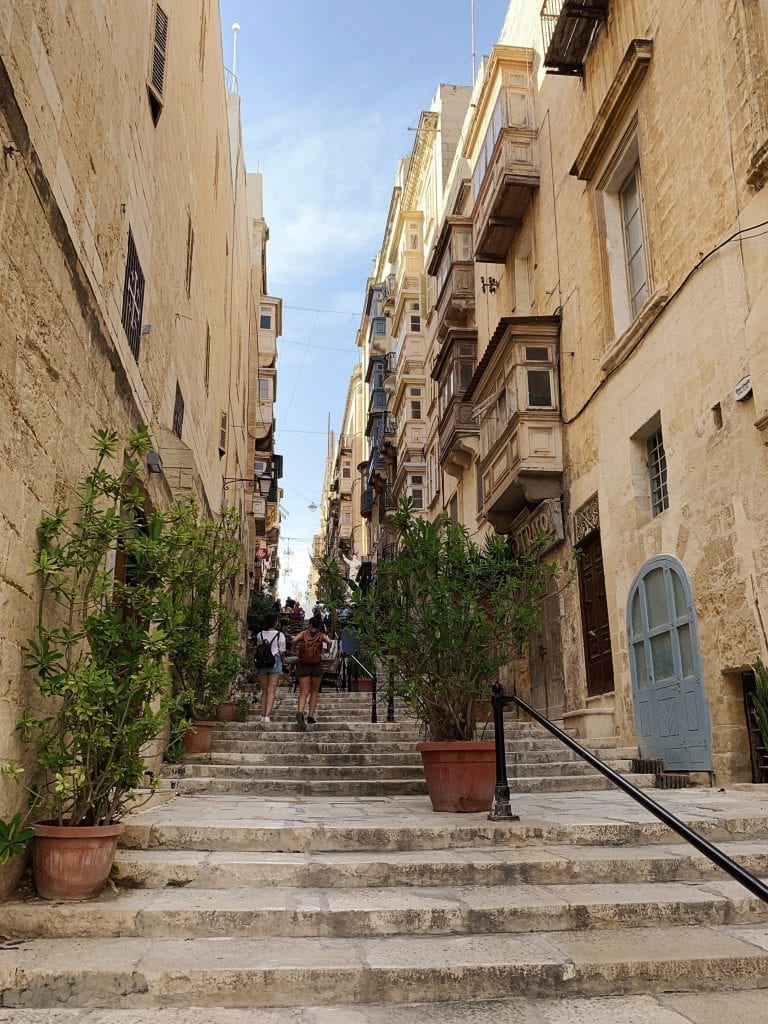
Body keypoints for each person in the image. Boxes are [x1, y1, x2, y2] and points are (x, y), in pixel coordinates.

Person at [292, 613, 332, 730]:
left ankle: (300, 713)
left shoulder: (303, 634)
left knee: (303, 691)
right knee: (314, 691)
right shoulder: (321, 635)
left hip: (304, 665)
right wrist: (326, 650)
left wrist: (295, 649)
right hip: (316, 665)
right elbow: (329, 642)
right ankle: (310, 715)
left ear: (309, 624)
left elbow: (294, 640)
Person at [255, 615, 286, 723]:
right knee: (271, 690)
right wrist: (284, 660)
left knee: (264, 691)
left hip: (262, 664)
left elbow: (259, 648)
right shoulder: (280, 635)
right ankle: (267, 715)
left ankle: (262, 715)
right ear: (275, 623)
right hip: (275, 662)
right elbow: (282, 651)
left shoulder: (260, 635)